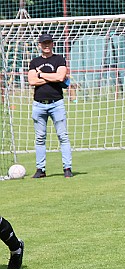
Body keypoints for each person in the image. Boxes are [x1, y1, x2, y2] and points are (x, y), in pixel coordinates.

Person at [28, 33, 73, 178]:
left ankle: (67, 168)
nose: (46, 45)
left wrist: (41, 75)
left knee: (63, 136)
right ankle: (40, 169)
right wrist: (50, 77)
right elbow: (32, 81)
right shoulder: (34, 62)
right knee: (40, 138)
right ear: (39, 45)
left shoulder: (59, 59)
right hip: (39, 104)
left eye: (48, 42)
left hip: (56, 103)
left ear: (52, 44)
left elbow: (60, 77)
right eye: (43, 43)